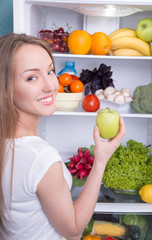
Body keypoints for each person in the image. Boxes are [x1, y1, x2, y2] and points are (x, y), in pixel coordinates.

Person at [0, 33, 125, 240]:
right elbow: (74, 230)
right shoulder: (41, 158)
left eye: (50, 71)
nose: (51, 85)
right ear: (5, 89)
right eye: (32, 77)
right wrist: (101, 160)